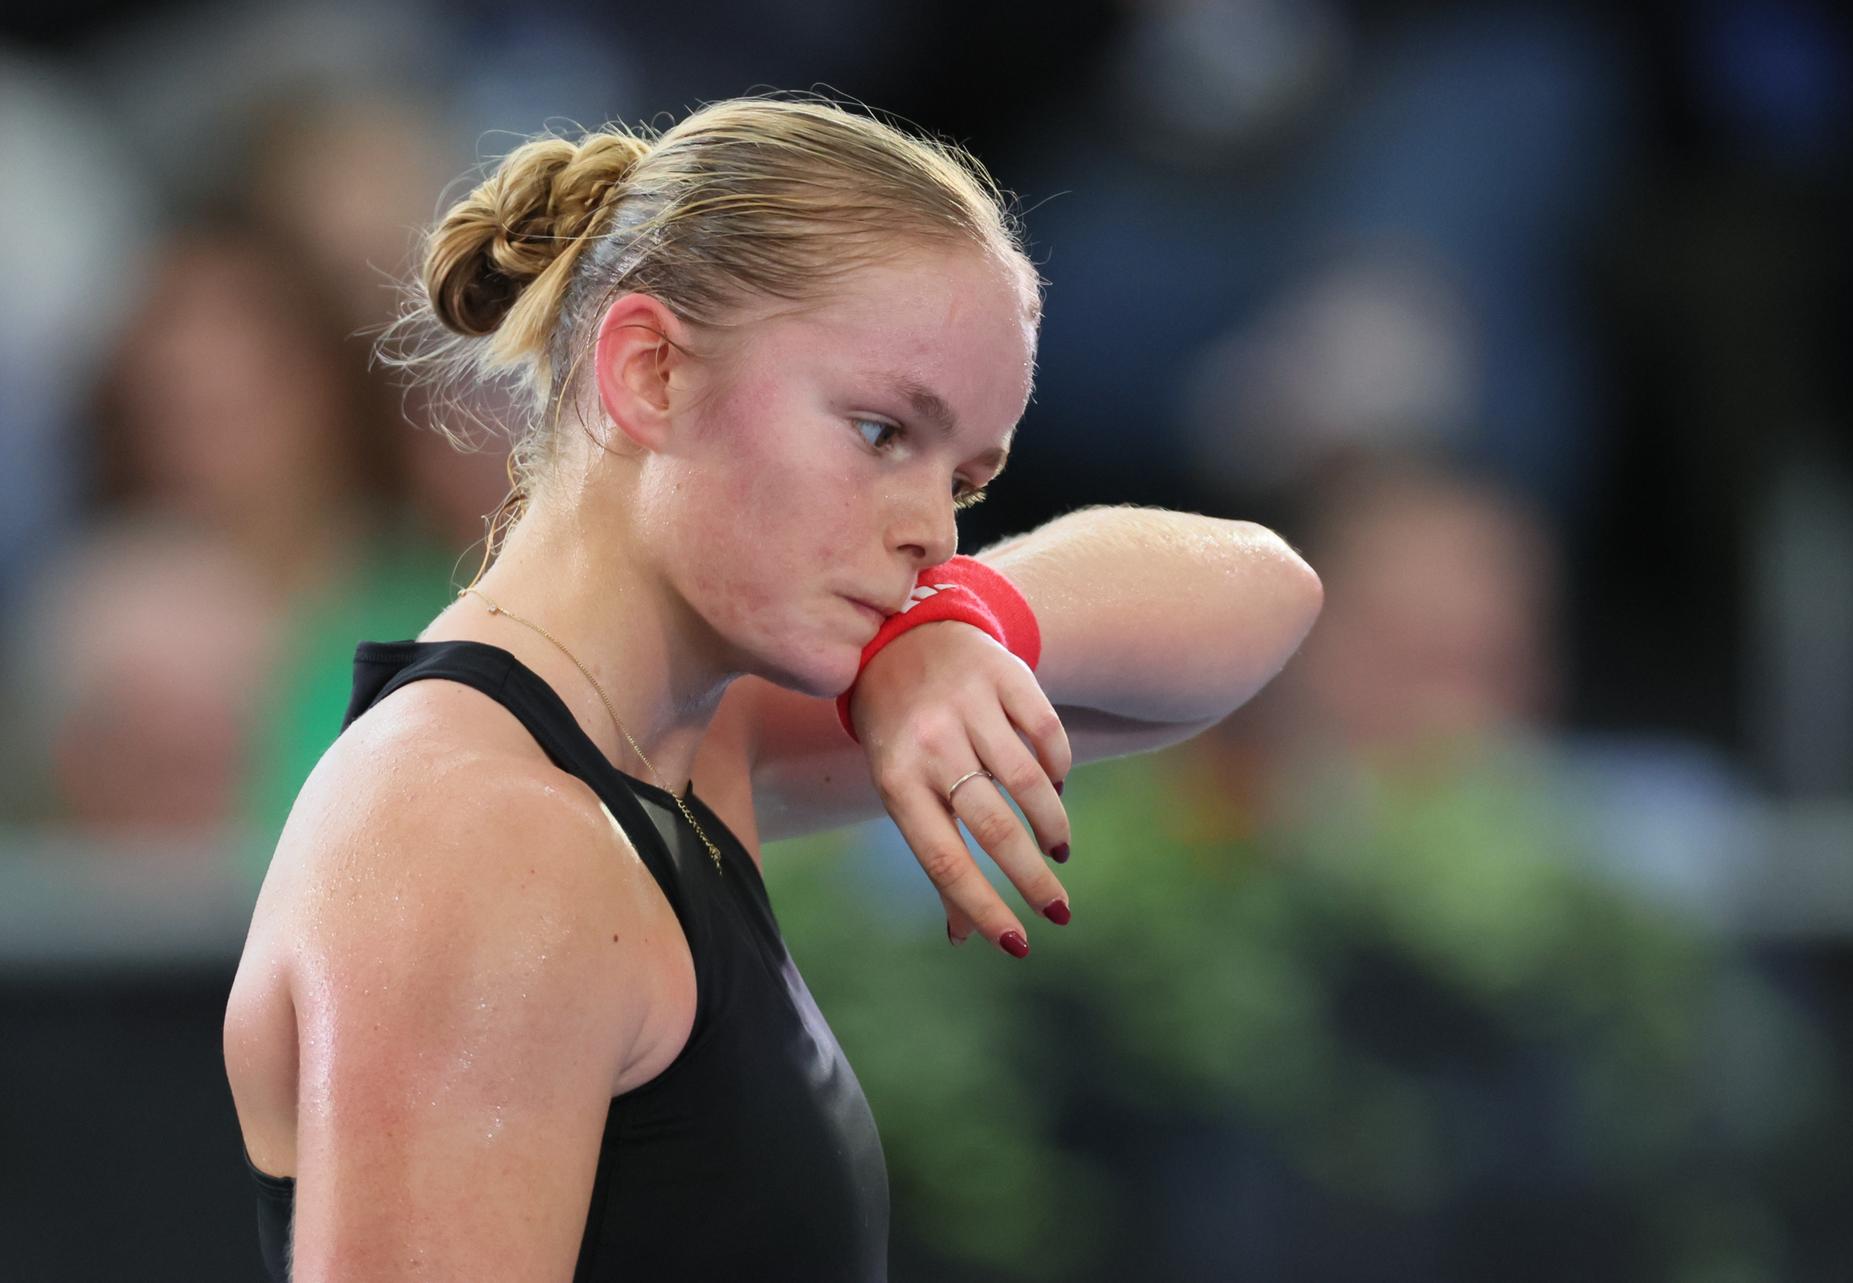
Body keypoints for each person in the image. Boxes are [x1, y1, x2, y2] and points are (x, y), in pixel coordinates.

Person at [221, 93, 1323, 1282]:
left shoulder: (684, 739)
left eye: (963, 480)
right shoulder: (486, 836)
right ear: (650, 372)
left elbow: (1263, 598)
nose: (933, 531)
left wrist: (954, 626)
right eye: (882, 431)